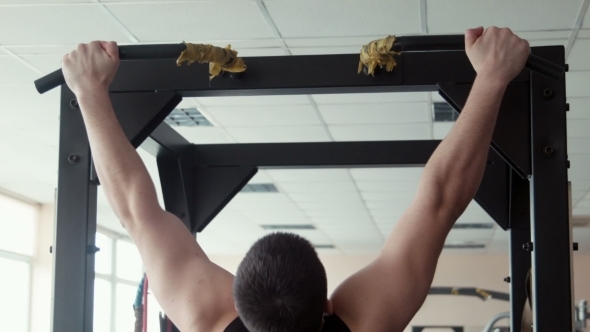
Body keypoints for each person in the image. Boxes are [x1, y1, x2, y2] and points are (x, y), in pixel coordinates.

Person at [62, 26, 530, 332]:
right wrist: (491, 77)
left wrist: (88, 91)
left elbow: (133, 208)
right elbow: (441, 197)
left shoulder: (204, 313)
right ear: (328, 305)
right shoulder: (358, 319)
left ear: (238, 304)